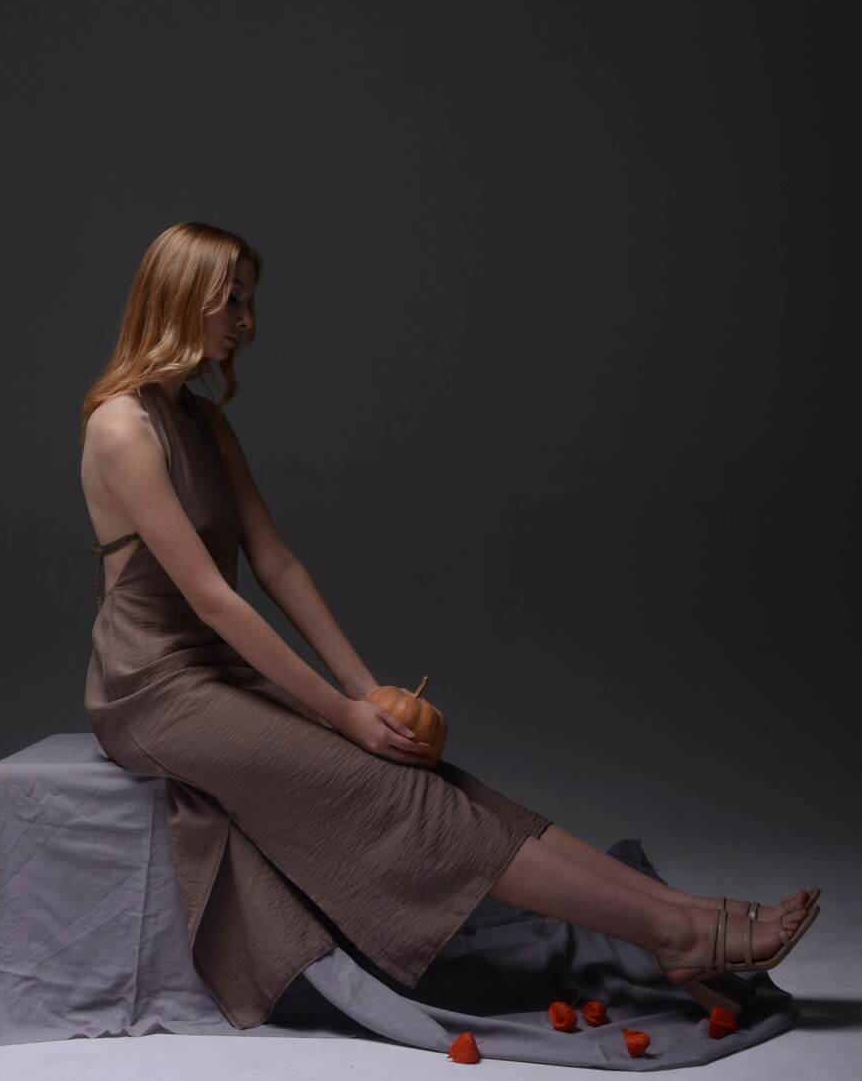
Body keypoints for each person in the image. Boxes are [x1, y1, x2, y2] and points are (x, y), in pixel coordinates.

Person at [79, 221, 819, 1028]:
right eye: (234, 301)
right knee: (388, 790)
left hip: (219, 672)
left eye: (251, 302)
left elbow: (278, 565)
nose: (248, 323)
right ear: (182, 295)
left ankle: (683, 913)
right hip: (152, 689)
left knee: (433, 778)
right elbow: (214, 600)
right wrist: (343, 717)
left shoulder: (206, 425)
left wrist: (371, 694)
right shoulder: (121, 428)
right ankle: (675, 935)